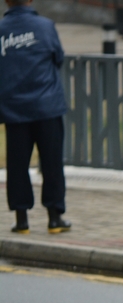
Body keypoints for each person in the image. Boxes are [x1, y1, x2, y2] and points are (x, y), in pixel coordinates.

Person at [0, 0, 71, 234]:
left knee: (17, 165)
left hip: (14, 109)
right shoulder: (45, 26)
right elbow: (58, 58)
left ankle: (21, 220)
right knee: (52, 162)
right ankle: (55, 218)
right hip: (47, 105)